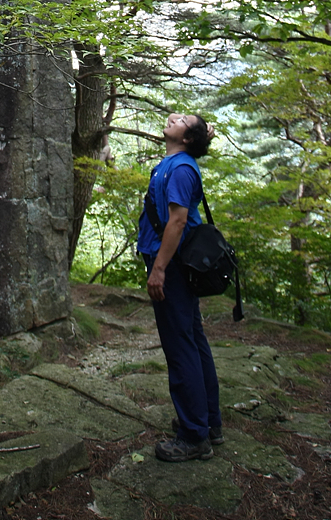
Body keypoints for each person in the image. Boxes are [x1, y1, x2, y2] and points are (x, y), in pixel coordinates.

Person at [137, 111, 222, 462]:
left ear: (187, 138)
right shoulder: (176, 161)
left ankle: (193, 435)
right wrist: (201, 133)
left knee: (180, 346)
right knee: (193, 339)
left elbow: (177, 220)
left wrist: (158, 269)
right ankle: (207, 423)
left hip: (170, 265)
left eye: (183, 118)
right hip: (173, 263)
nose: (173, 116)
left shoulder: (182, 169)